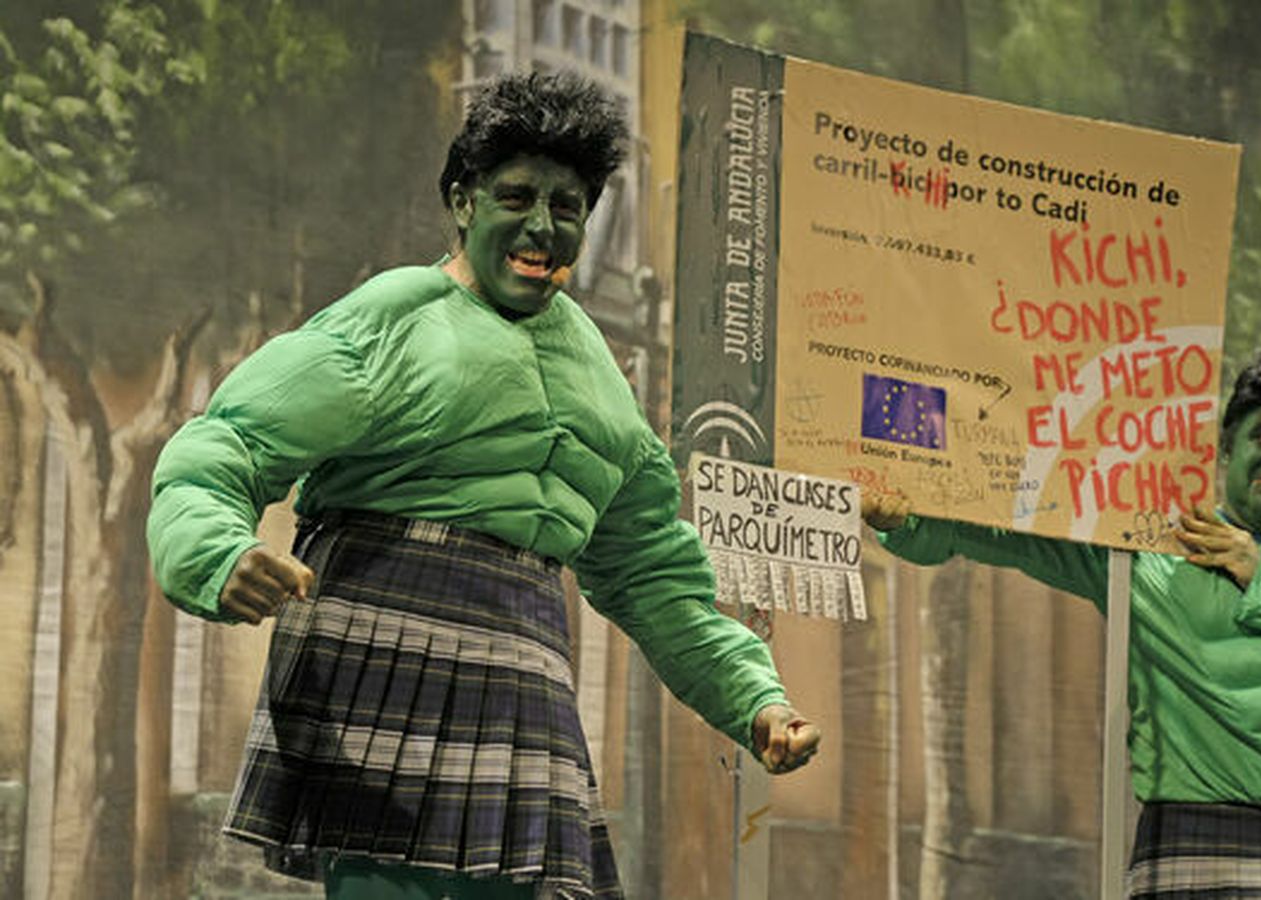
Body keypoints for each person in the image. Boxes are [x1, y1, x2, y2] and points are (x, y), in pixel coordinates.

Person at [148, 70, 819, 900]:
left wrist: (755, 701)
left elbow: (655, 575)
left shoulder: (601, 380)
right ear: (463, 203)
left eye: (567, 206)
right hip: (380, 676)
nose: (542, 225)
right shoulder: (393, 319)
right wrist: (216, 552)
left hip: (520, 682)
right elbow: (230, 443)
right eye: (516, 196)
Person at [863, 338, 1261, 898]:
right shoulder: (1145, 545)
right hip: (1191, 850)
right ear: (1227, 446)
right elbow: (1000, 529)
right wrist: (904, 520)